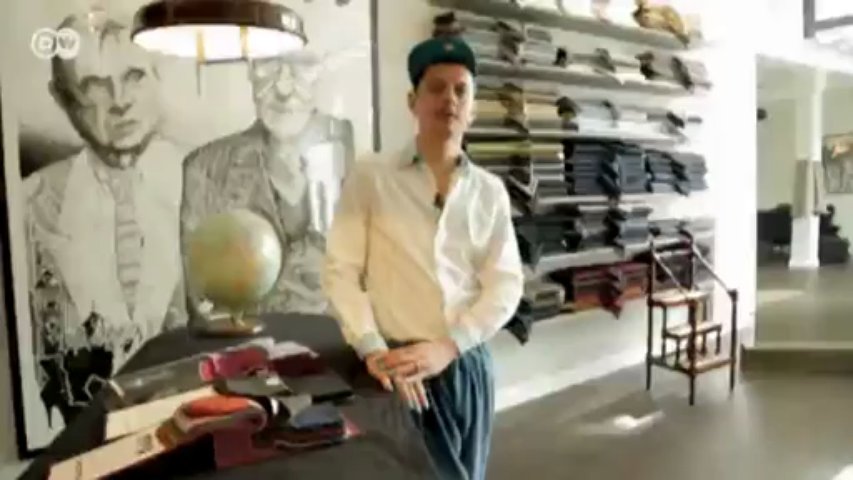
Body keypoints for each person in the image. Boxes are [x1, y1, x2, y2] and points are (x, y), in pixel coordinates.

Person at [323, 36, 524, 480]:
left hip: (466, 363)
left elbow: (506, 284)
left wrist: (450, 346)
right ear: (412, 101)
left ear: (472, 108)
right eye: (436, 87)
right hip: (397, 371)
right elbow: (341, 271)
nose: (449, 99)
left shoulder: (489, 191)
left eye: (461, 90)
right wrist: (372, 349)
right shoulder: (371, 177)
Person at [24, 15, 186, 425]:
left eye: (134, 77)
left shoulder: (205, 181)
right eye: (95, 85)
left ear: (159, 75)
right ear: (62, 98)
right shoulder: (32, 204)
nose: (120, 101)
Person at [181, 51, 354, 320]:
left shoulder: (362, 159)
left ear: (324, 68)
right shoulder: (206, 168)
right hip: (243, 344)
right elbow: (200, 300)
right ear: (250, 70)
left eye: (302, 64)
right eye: (268, 64)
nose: (284, 88)